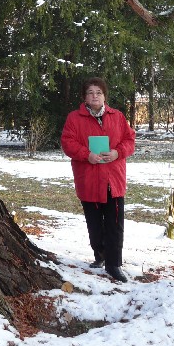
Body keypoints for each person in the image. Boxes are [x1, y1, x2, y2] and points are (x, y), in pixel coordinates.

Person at [61, 77, 135, 282]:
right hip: (90, 180)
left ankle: (114, 264)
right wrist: (87, 155)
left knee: (114, 224)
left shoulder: (117, 116)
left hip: (114, 180)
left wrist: (117, 153)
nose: (95, 96)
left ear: (104, 96)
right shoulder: (74, 118)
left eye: (98, 92)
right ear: (84, 97)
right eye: (90, 93)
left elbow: (130, 140)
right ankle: (100, 254)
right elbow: (67, 143)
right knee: (94, 224)